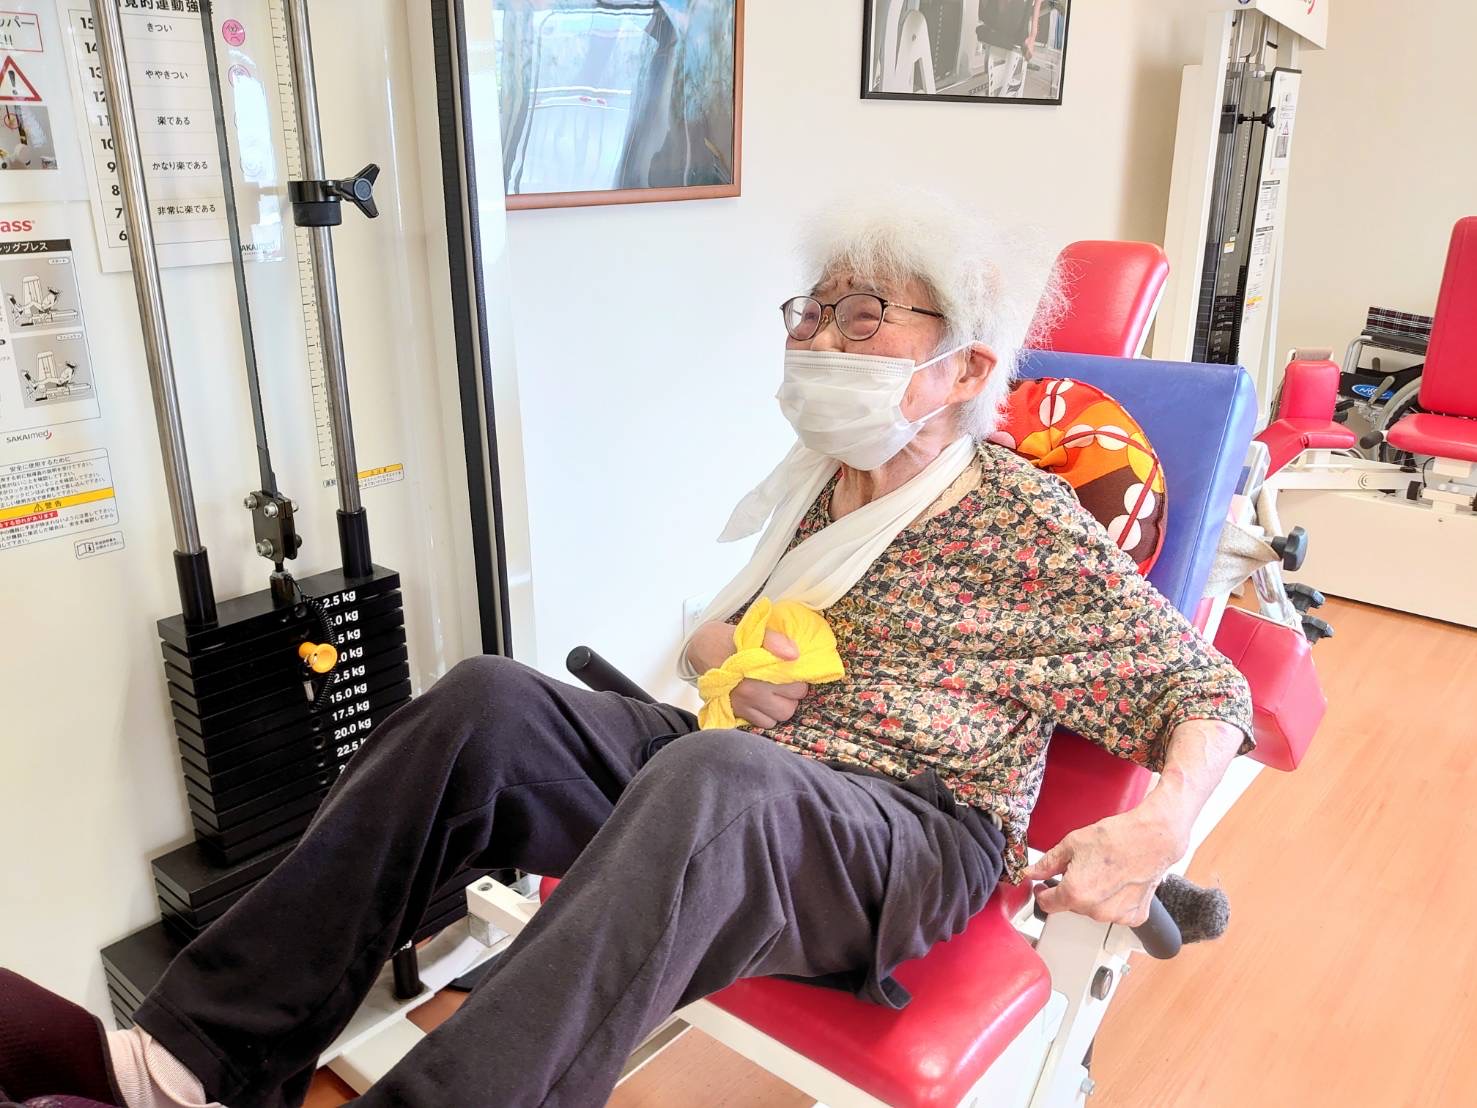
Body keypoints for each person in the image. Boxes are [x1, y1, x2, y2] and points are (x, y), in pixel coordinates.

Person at [0, 194, 1253, 1108]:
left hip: (911, 836)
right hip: (750, 775)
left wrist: (1159, 826)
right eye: (812, 307)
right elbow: (735, 636)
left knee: (720, 782)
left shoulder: (1019, 518)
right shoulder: (819, 477)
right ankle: (184, 1065)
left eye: (861, 315)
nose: (817, 336)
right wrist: (720, 649)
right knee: (489, 702)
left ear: (962, 367)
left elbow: (1203, 686)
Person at [978, 0, 1045, 97]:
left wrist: (1032, 37)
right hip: (1001, 29)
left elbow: (1038, 2)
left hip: (1010, 31)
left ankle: (1002, 88)